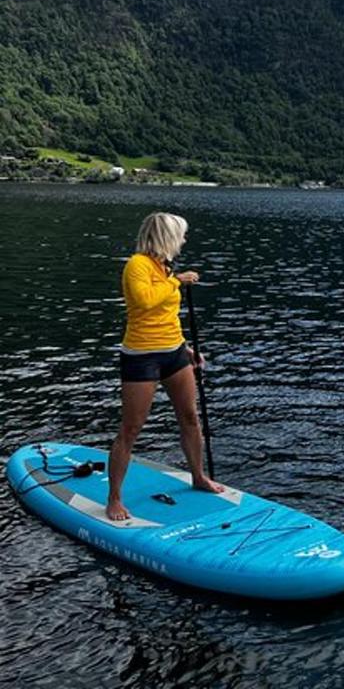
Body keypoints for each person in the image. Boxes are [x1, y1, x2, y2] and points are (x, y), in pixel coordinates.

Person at [107, 212, 223, 521]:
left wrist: (186, 348)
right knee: (131, 429)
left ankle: (198, 476)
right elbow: (144, 301)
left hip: (174, 351)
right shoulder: (137, 265)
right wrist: (176, 281)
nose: (183, 241)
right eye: (181, 235)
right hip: (142, 356)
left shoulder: (163, 267)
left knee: (189, 417)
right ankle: (114, 498)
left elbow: (166, 316)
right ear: (166, 236)